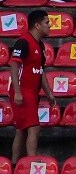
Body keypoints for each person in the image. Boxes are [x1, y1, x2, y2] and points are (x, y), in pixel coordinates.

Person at [9, 9, 54, 162]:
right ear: (37, 25)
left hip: (33, 92)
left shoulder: (40, 45)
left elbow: (40, 71)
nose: (50, 26)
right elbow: (14, 66)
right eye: (47, 23)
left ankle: (15, 165)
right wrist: (17, 92)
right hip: (23, 90)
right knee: (34, 127)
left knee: (21, 130)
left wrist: (49, 93)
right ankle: (32, 165)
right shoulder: (23, 42)